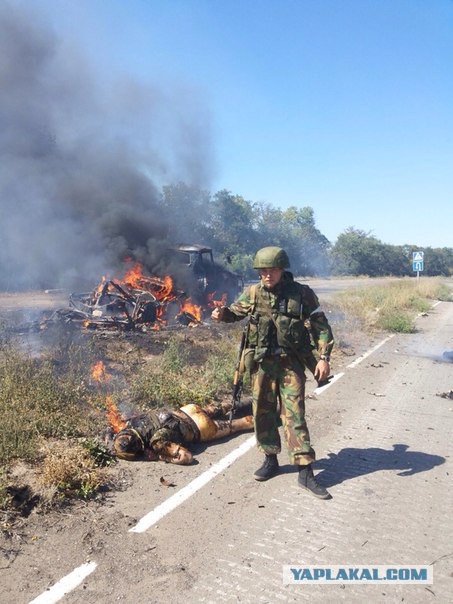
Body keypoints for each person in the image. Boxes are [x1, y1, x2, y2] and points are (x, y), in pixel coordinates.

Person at [211, 246, 334, 499]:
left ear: (282, 269)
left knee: (294, 413)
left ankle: (305, 470)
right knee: (262, 414)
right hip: (262, 364)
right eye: (263, 271)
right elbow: (235, 313)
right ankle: (270, 459)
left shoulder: (301, 293)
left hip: (290, 364)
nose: (268, 275)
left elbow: (320, 324)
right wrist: (222, 314)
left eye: (273, 270)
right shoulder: (253, 293)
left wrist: (323, 358)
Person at [111, 399, 253, 464]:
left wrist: (162, 457)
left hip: (201, 427)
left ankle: (270, 418)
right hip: (188, 410)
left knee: (239, 424)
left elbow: (187, 457)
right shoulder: (131, 423)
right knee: (231, 405)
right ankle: (262, 399)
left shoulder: (156, 443)